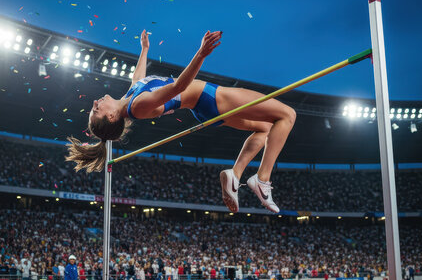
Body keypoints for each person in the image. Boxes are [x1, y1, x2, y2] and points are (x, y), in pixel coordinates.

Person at [66, 30, 296, 214]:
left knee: (265, 129)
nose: (96, 102)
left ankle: (235, 175)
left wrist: (144, 50)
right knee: (287, 115)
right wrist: (201, 53)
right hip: (212, 98)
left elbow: (138, 77)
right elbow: (178, 87)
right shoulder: (138, 106)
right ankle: (262, 180)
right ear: (112, 117)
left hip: (205, 107)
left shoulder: (131, 97)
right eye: (96, 110)